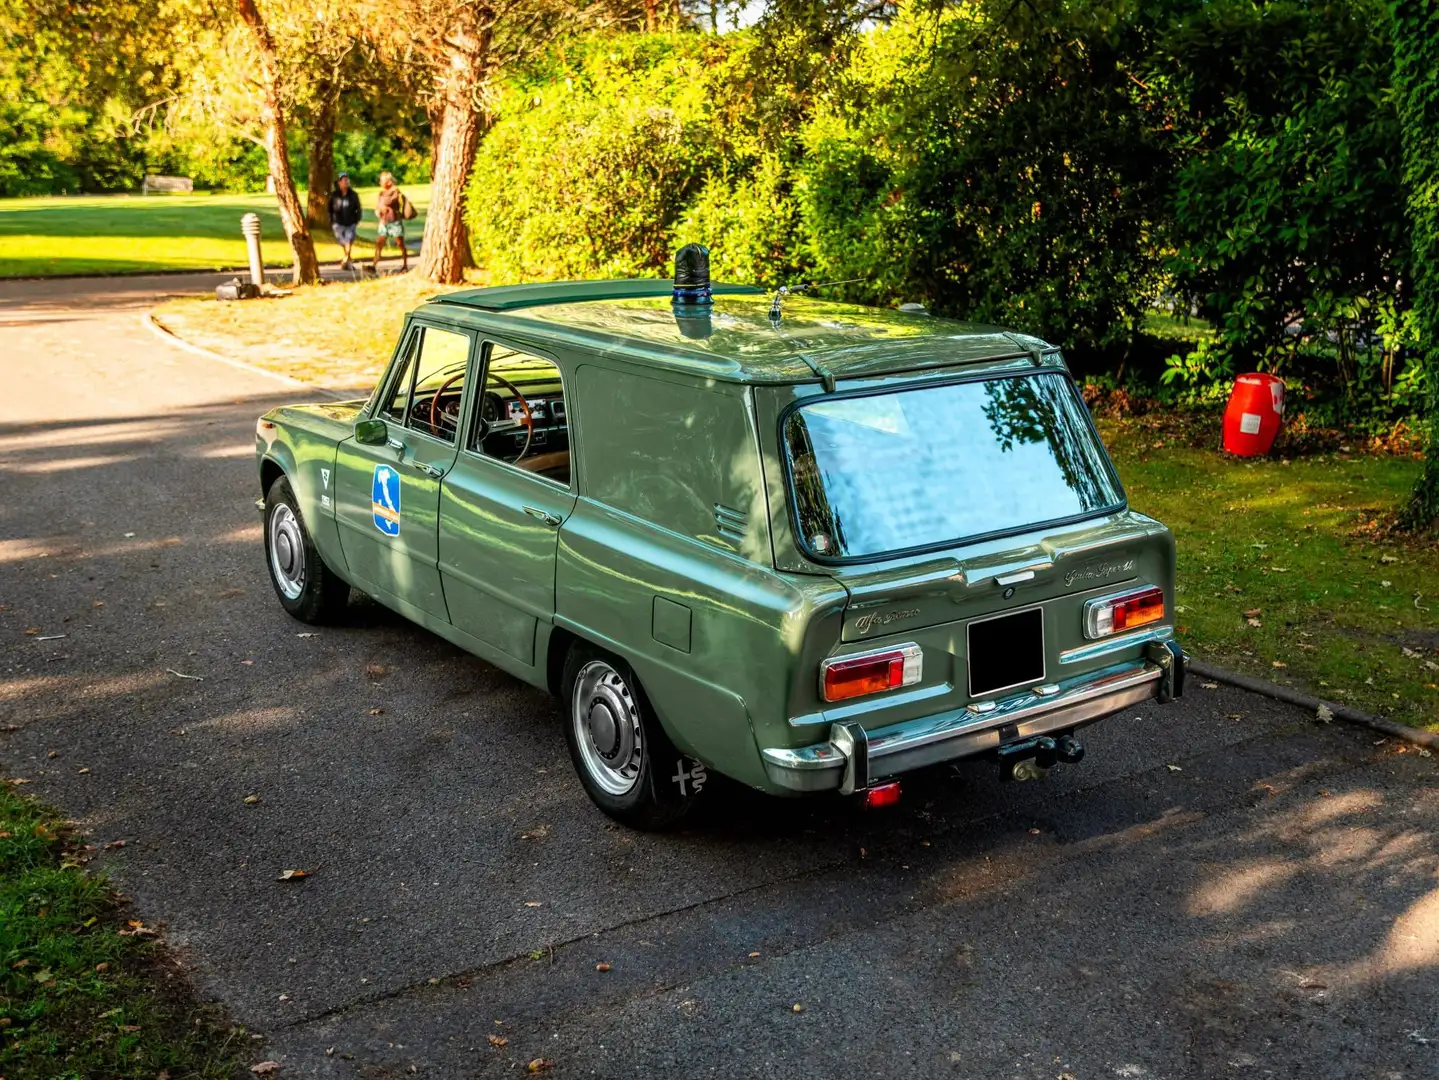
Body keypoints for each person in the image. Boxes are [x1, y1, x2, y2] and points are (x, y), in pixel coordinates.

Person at [373, 171, 409, 273]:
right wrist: (378, 210)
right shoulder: (381, 193)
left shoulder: (395, 191)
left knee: (400, 243)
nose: (380, 182)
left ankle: (405, 265)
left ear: (388, 181)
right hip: (384, 221)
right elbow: (379, 205)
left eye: (382, 180)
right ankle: (374, 264)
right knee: (379, 243)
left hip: (394, 221)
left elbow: (389, 202)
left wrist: (383, 206)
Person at [328, 172, 361, 269]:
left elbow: (358, 208)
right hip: (338, 223)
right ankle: (347, 261)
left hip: (350, 223)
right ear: (339, 182)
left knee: (348, 241)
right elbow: (329, 209)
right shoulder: (334, 195)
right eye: (344, 180)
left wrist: (356, 220)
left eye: (347, 180)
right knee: (343, 242)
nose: (346, 182)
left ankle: (346, 260)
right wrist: (331, 221)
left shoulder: (353, 195)